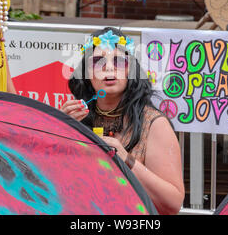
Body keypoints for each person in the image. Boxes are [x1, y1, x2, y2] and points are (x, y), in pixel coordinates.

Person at [61, 27, 185, 215]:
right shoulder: (75, 119)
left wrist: (125, 158)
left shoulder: (153, 124)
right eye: (97, 61)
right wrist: (61, 133)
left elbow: (172, 203)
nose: (109, 68)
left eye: (119, 61)